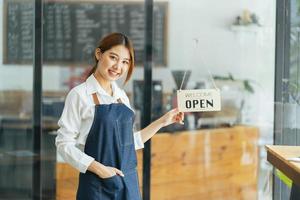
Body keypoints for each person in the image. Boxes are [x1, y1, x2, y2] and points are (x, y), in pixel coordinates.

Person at [55, 32, 184, 200]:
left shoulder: (121, 96)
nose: (118, 66)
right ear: (99, 54)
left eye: (125, 62)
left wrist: (162, 122)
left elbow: (129, 143)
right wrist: (101, 170)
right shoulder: (80, 95)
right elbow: (64, 144)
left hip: (127, 183)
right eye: (113, 57)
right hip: (97, 185)